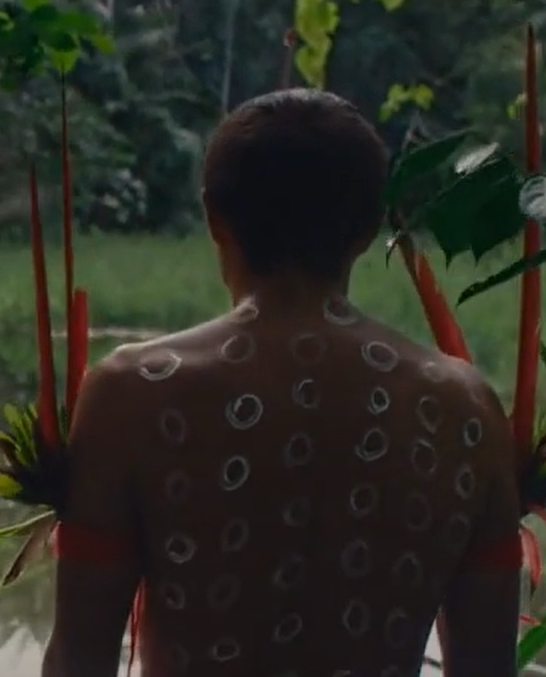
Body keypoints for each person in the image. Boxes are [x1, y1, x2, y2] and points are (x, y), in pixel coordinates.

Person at [42, 89, 522, 677]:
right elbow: (487, 668)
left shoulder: (131, 395)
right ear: (370, 228)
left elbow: (78, 660)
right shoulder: (466, 408)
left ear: (215, 218)